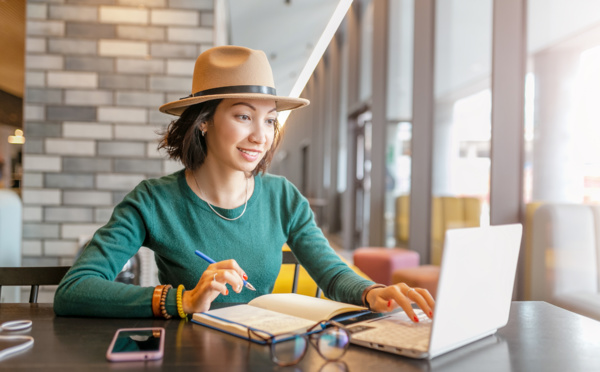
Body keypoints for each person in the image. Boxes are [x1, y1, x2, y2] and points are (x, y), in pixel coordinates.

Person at [54, 46, 435, 322]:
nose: (260, 135)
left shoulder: (282, 197)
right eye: (243, 116)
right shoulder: (153, 201)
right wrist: (182, 301)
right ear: (204, 121)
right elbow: (75, 289)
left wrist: (372, 291)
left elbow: (332, 273)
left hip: (263, 354)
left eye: (269, 120)